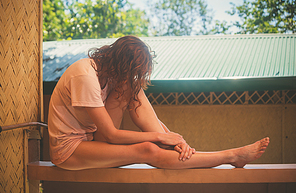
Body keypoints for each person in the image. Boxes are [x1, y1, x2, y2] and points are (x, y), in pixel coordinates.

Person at [48, 35, 269, 170]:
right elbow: (111, 136)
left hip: (93, 138)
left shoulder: (111, 72)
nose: (131, 77)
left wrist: (172, 138)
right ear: (118, 62)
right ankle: (231, 156)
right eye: (132, 71)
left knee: (133, 90)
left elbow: (140, 111)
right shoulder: (84, 76)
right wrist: (160, 136)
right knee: (147, 149)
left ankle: (175, 147)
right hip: (70, 150)